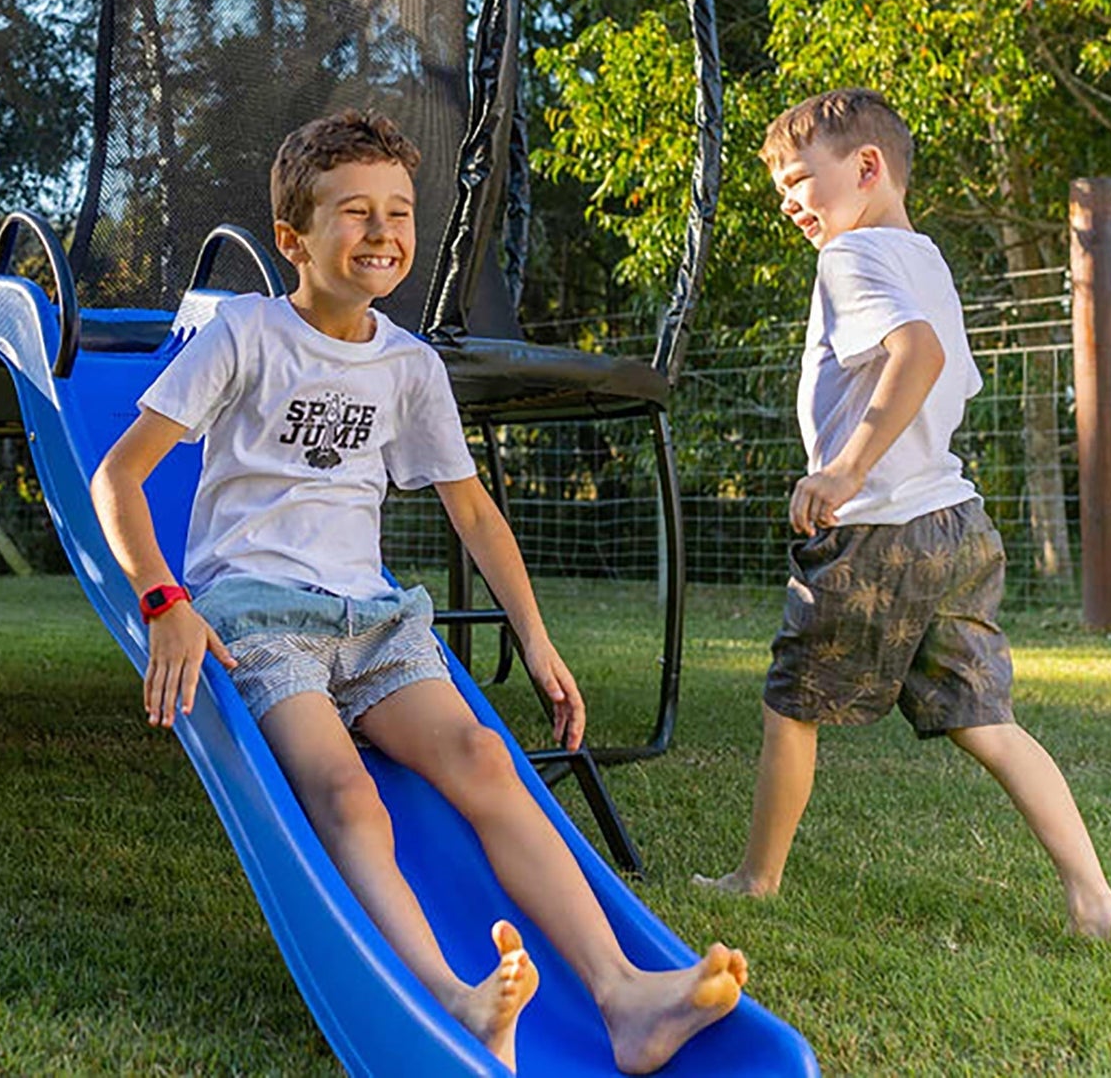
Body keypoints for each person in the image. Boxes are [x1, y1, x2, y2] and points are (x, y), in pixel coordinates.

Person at [90, 110, 748, 1073]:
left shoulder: (408, 364)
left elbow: (475, 514)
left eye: (397, 212)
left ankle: (623, 995)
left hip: (374, 617)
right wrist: (163, 599)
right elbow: (117, 475)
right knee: (347, 793)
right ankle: (453, 998)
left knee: (486, 755)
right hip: (256, 614)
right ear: (292, 239)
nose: (382, 232)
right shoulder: (245, 332)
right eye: (353, 212)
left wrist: (535, 638)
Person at [696, 89, 1111, 949]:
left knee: (792, 704)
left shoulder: (849, 259)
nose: (789, 200)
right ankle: (1094, 900)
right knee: (987, 720)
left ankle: (756, 878)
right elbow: (946, 371)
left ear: (866, 168)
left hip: (876, 529)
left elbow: (919, 354)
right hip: (954, 522)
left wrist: (843, 468)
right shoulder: (923, 257)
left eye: (798, 179)